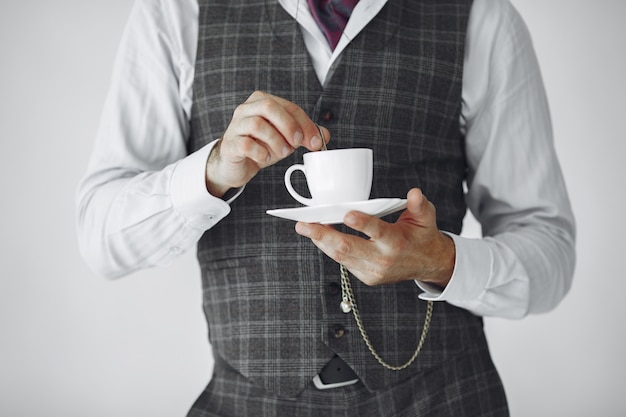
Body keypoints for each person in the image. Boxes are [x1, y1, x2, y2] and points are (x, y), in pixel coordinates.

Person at [76, 0, 576, 415]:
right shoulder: (176, 12)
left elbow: (549, 250)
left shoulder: (481, 17)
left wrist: (442, 262)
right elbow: (101, 241)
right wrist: (209, 173)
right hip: (243, 403)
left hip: (445, 399)